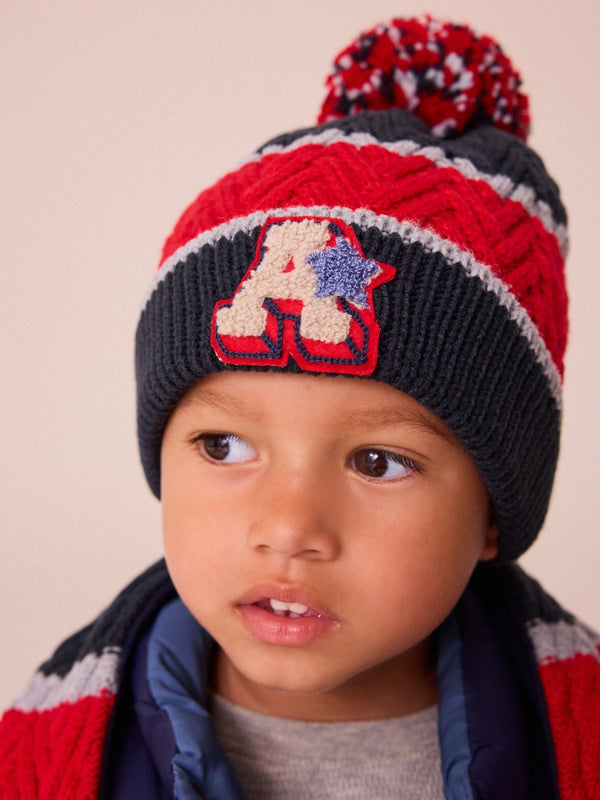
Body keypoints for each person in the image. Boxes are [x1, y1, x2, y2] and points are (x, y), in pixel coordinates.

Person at [1, 14, 598, 800]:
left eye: (378, 461)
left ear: (493, 511)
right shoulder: (42, 758)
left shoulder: (571, 747)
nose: (287, 528)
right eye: (224, 447)